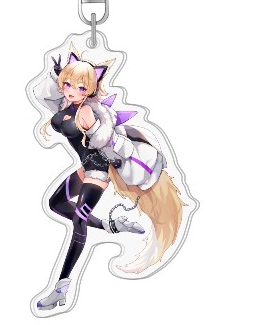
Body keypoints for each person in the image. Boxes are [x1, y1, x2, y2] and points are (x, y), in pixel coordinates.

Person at [33, 46, 184, 311]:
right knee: (55, 204)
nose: (72, 90)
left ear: (90, 89)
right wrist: (56, 74)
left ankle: (61, 288)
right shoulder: (66, 103)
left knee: (78, 220)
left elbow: (108, 144)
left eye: (80, 87)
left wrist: (109, 140)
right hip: (85, 167)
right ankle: (112, 225)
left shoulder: (89, 112)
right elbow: (44, 96)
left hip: (98, 170)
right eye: (68, 84)